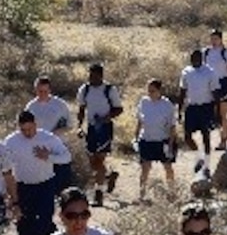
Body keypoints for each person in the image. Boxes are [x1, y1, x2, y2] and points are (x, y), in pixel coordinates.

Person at [0, 108, 71, 235]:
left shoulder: (48, 138)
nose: (27, 133)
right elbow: (4, 167)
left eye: (30, 129)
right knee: (24, 223)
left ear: (36, 124)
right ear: (18, 127)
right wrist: (7, 193)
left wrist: (49, 157)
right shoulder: (11, 142)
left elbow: (67, 157)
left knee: (44, 221)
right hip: (22, 187)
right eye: (23, 130)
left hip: (45, 185)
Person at [74, 62, 122, 207]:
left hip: (105, 128)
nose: (91, 78)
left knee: (99, 161)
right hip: (91, 128)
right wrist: (79, 126)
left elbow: (119, 109)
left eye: (94, 75)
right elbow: (81, 109)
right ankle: (108, 177)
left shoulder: (109, 89)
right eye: (89, 74)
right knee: (93, 162)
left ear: (101, 75)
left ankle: (98, 194)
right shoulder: (85, 89)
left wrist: (106, 117)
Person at [24, 75, 75, 192]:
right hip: (39, 149)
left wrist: (56, 132)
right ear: (35, 90)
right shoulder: (31, 107)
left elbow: (70, 125)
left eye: (45, 91)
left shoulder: (60, 105)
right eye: (39, 91)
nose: (42, 94)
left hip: (58, 148)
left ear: (50, 90)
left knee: (62, 185)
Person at [133, 78, 178, 201]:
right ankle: (142, 194)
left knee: (168, 167)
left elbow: (172, 126)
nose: (150, 94)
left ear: (159, 91)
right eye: (149, 91)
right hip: (146, 140)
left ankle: (172, 192)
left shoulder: (167, 105)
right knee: (145, 168)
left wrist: (170, 145)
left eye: (153, 91)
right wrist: (135, 138)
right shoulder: (143, 102)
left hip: (162, 141)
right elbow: (139, 122)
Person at [179, 46, 221, 171]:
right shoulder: (186, 72)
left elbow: (215, 93)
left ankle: (207, 165)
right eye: (192, 58)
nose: (194, 60)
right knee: (187, 136)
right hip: (191, 107)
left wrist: (217, 112)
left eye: (197, 58)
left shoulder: (210, 72)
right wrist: (179, 110)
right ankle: (199, 157)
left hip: (206, 107)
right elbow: (182, 91)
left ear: (201, 59)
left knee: (205, 136)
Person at [203, 28, 227, 151]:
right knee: (215, 113)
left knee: (222, 113)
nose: (213, 41)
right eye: (212, 39)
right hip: (211, 84)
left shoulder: (225, 53)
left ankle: (223, 141)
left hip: (224, 84)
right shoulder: (206, 52)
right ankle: (224, 130)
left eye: (216, 39)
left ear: (221, 39)